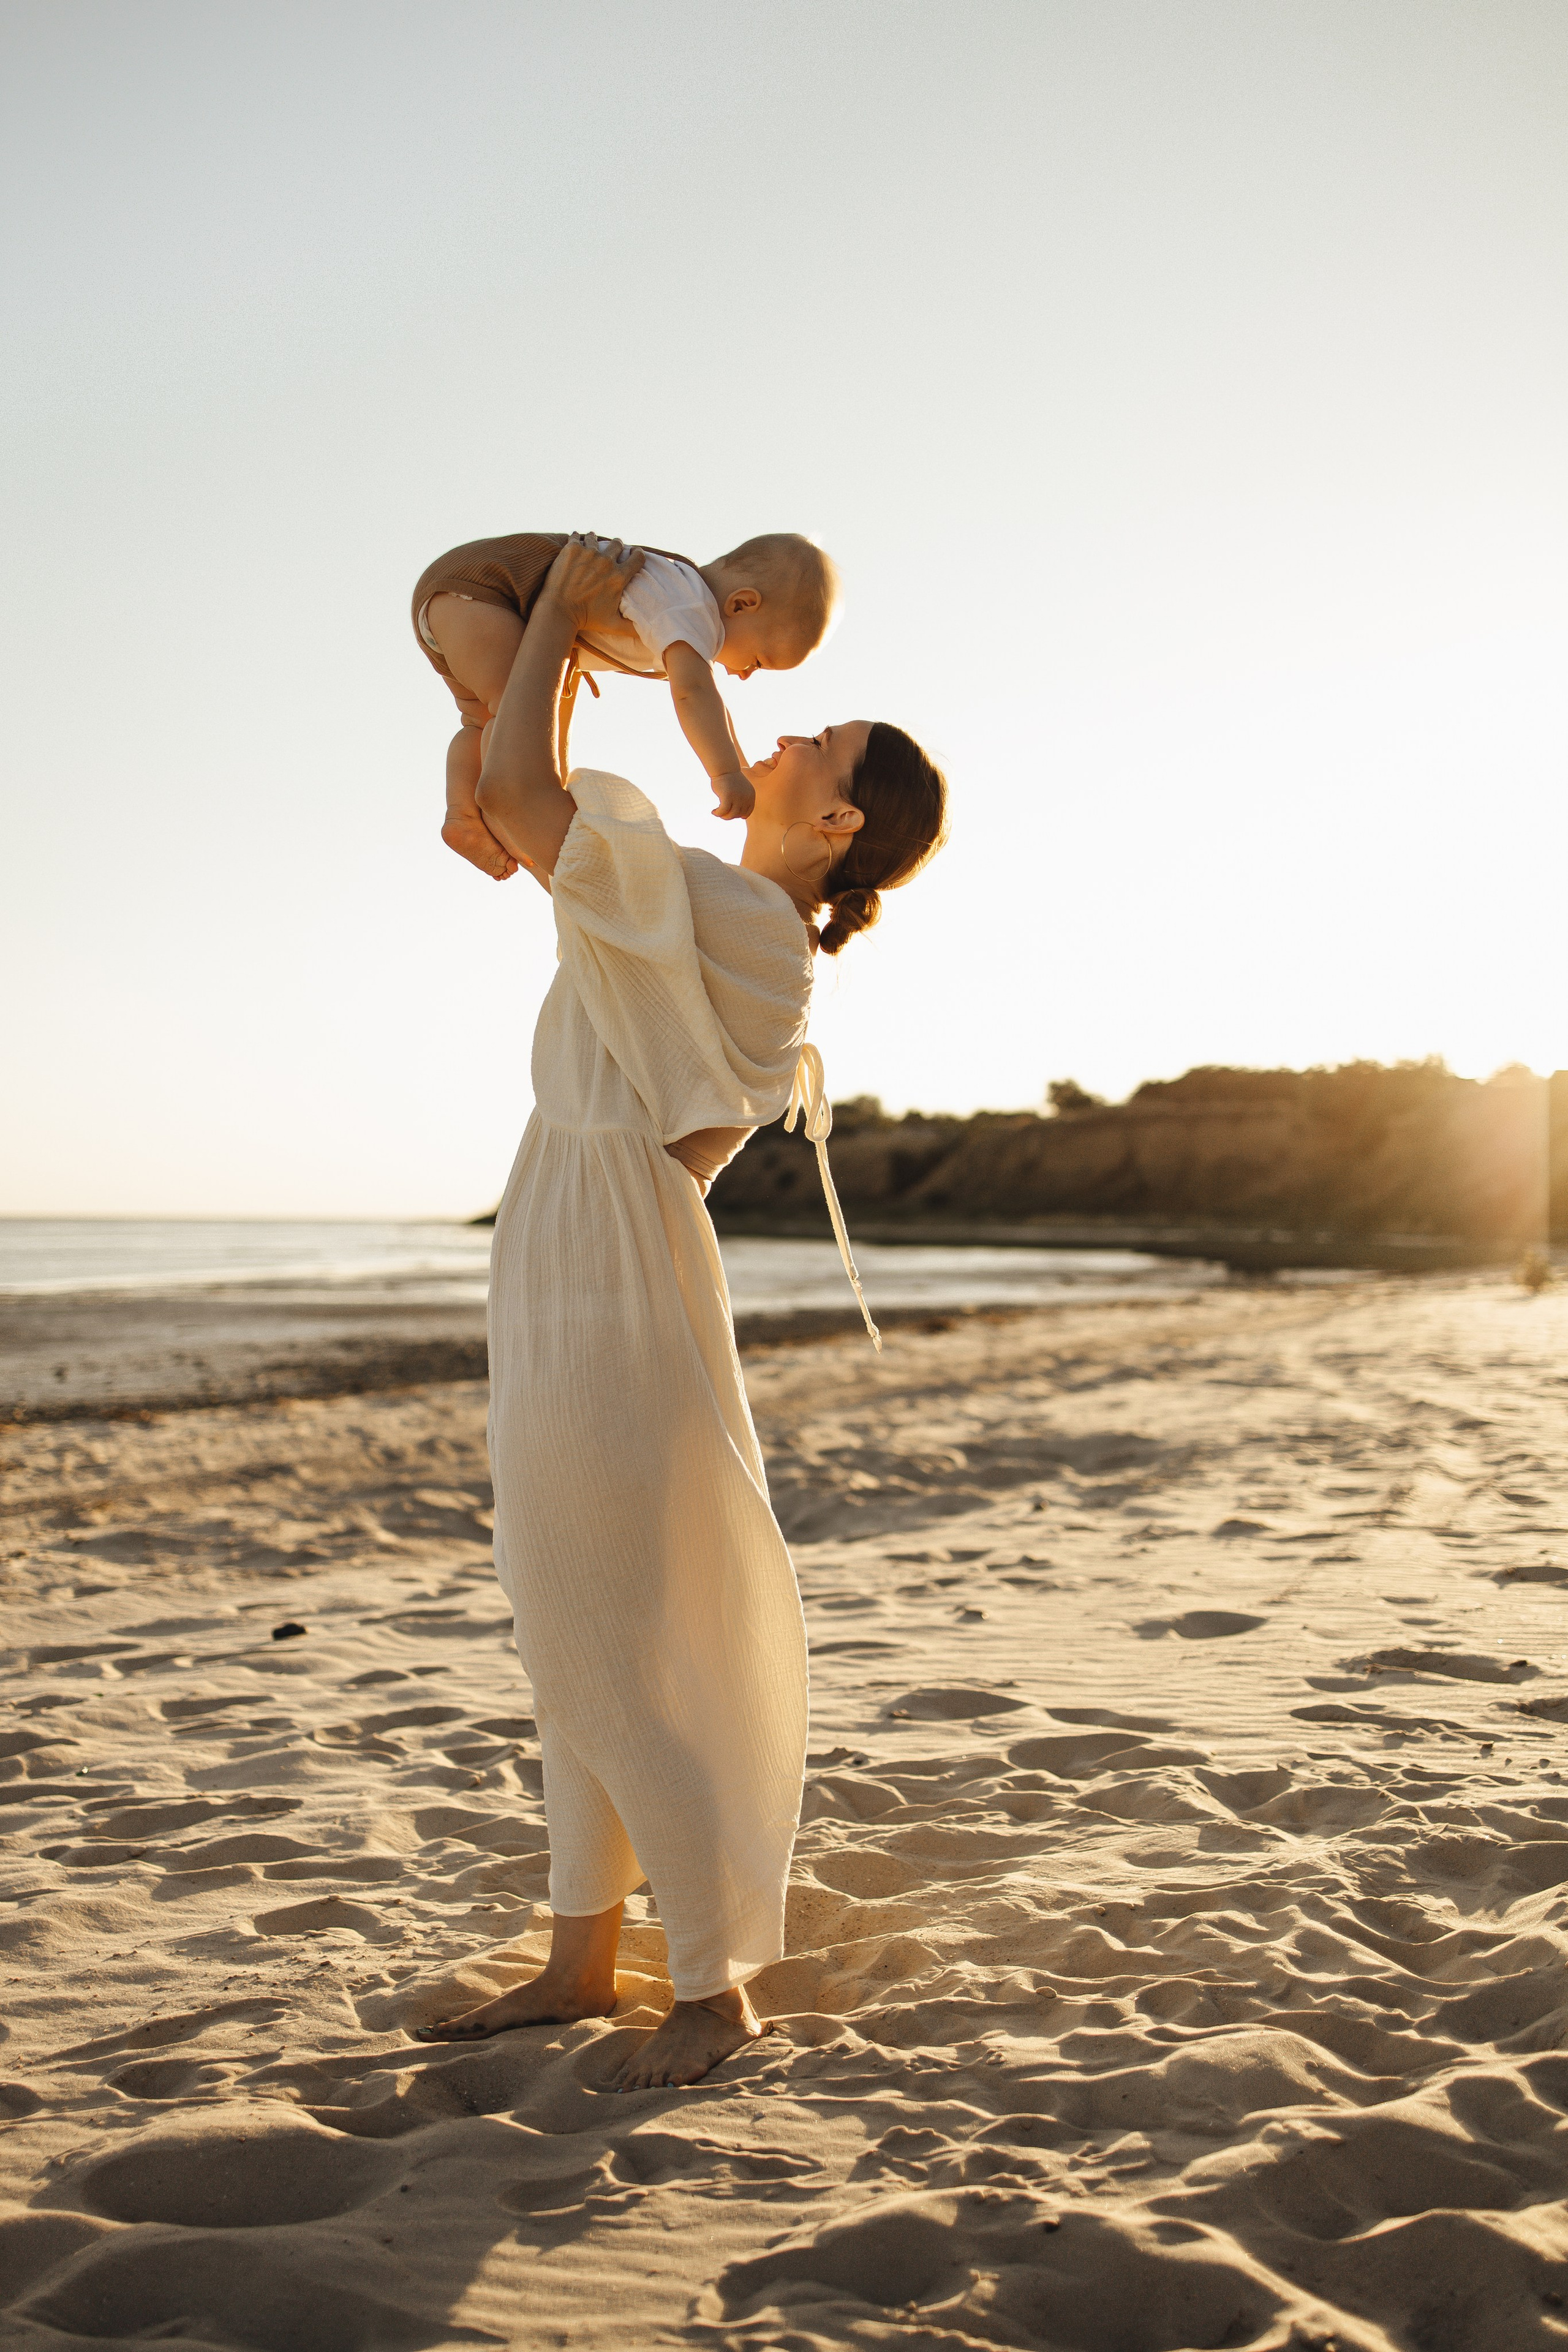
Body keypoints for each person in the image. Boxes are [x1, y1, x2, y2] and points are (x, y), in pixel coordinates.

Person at [415, 535, 947, 2089]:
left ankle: (715, 1980)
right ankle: (584, 1947)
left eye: (815, 743)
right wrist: (540, 662)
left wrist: (543, 651)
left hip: (614, 1246)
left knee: (610, 1605)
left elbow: (522, 806)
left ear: (836, 818)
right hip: (572, 1223)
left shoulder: (744, 921)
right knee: (561, 1589)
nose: (779, 734)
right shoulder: (718, 905)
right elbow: (530, 814)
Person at [411, 527, 840, 880]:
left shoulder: (672, 590)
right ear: (743, 603)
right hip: (493, 594)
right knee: (512, 713)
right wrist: (725, 773)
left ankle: (462, 816)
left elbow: (712, 701)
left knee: (481, 719)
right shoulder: (693, 606)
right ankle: (510, 814)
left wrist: (742, 768)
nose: (745, 674)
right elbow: (696, 694)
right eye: (761, 662)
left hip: (457, 599)